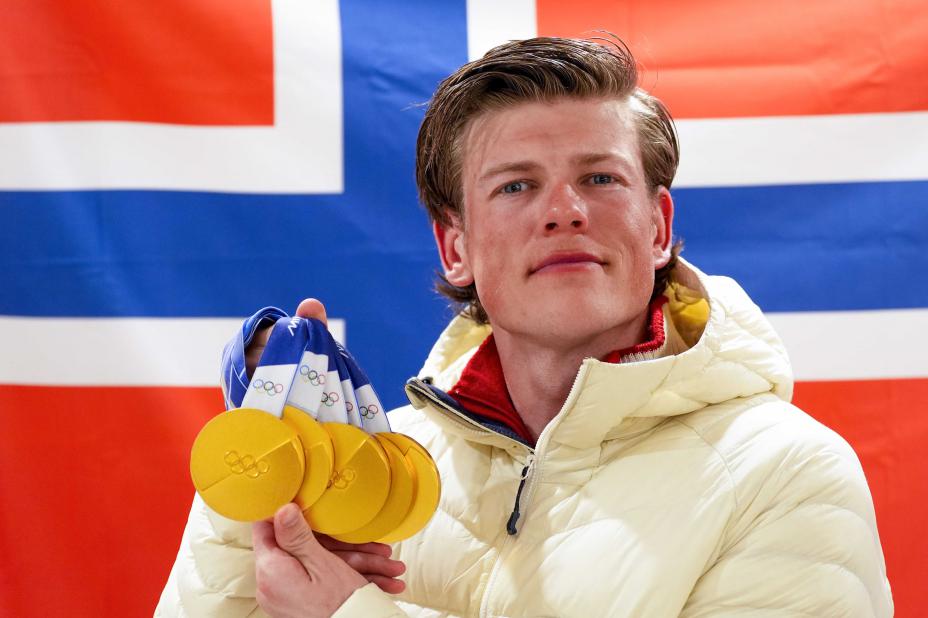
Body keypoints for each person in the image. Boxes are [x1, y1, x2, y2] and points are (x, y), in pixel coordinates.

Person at [157, 36, 893, 617]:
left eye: (600, 178)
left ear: (658, 227)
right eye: (516, 185)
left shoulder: (784, 471)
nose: (564, 210)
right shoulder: (376, 461)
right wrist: (273, 468)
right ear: (457, 249)